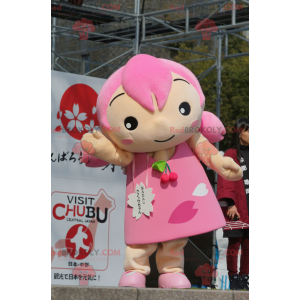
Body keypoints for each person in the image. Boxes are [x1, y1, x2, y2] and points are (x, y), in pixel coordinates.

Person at [80, 54, 243, 289]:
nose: (160, 126)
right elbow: (119, 155)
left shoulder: (190, 136)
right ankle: (135, 269)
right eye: (130, 124)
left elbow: (205, 149)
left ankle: (172, 270)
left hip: (179, 194)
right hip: (143, 191)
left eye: (183, 107)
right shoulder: (134, 150)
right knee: (141, 235)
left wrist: (220, 162)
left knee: (176, 236)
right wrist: (101, 148)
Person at [217, 118, 249, 290]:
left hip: (251, 205)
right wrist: (230, 204)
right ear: (239, 133)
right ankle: (233, 277)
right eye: (248, 131)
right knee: (235, 243)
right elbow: (226, 179)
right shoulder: (230, 154)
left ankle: (245, 277)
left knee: (249, 244)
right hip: (236, 206)